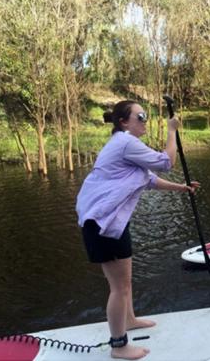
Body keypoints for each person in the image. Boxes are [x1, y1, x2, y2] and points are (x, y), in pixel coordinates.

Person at [76, 100, 199, 360]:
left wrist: (182, 188)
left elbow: (149, 179)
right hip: (101, 225)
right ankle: (119, 345)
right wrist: (171, 131)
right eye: (140, 116)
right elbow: (167, 162)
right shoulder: (124, 142)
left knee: (125, 283)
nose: (145, 120)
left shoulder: (124, 145)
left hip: (115, 224)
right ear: (124, 122)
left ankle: (129, 319)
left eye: (147, 115)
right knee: (118, 288)